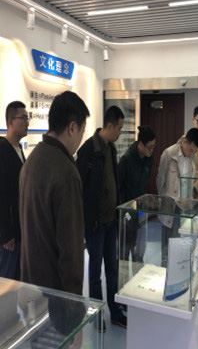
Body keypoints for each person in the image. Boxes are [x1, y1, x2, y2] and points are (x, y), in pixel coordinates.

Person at [20, 91, 89, 295]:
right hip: (55, 292)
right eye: (82, 130)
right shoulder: (66, 172)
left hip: (30, 284)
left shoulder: (31, 160)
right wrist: (73, 304)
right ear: (72, 128)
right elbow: (71, 250)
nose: (81, 138)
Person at [76, 105, 126, 331]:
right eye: (119, 128)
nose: (120, 132)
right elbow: (81, 187)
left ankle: (115, 312)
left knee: (112, 270)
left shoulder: (111, 149)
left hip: (111, 221)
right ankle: (97, 315)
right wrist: (86, 220)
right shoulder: (89, 149)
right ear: (109, 125)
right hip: (95, 224)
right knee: (95, 273)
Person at [156, 128, 198, 266]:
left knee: (181, 245)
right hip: (169, 206)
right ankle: (165, 270)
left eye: (194, 151)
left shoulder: (193, 158)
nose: (192, 154)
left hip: (184, 207)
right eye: (191, 150)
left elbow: (190, 183)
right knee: (167, 245)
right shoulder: (169, 154)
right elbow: (160, 180)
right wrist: (164, 202)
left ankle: (178, 271)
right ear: (184, 142)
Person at [118, 126, 156, 264]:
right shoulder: (126, 160)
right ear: (140, 144)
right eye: (149, 147)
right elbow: (118, 188)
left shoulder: (149, 159)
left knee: (139, 249)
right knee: (125, 249)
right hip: (126, 211)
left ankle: (137, 270)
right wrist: (123, 214)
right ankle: (123, 274)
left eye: (153, 147)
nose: (152, 151)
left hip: (140, 210)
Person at [0, 101, 28, 280]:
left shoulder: (18, 150)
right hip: (8, 238)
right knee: (7, 284)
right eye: (23, 118)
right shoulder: (2, 151)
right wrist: (5, 234)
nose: (27, 122)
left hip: (20, 232)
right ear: (10, 121)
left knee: (18, 282)